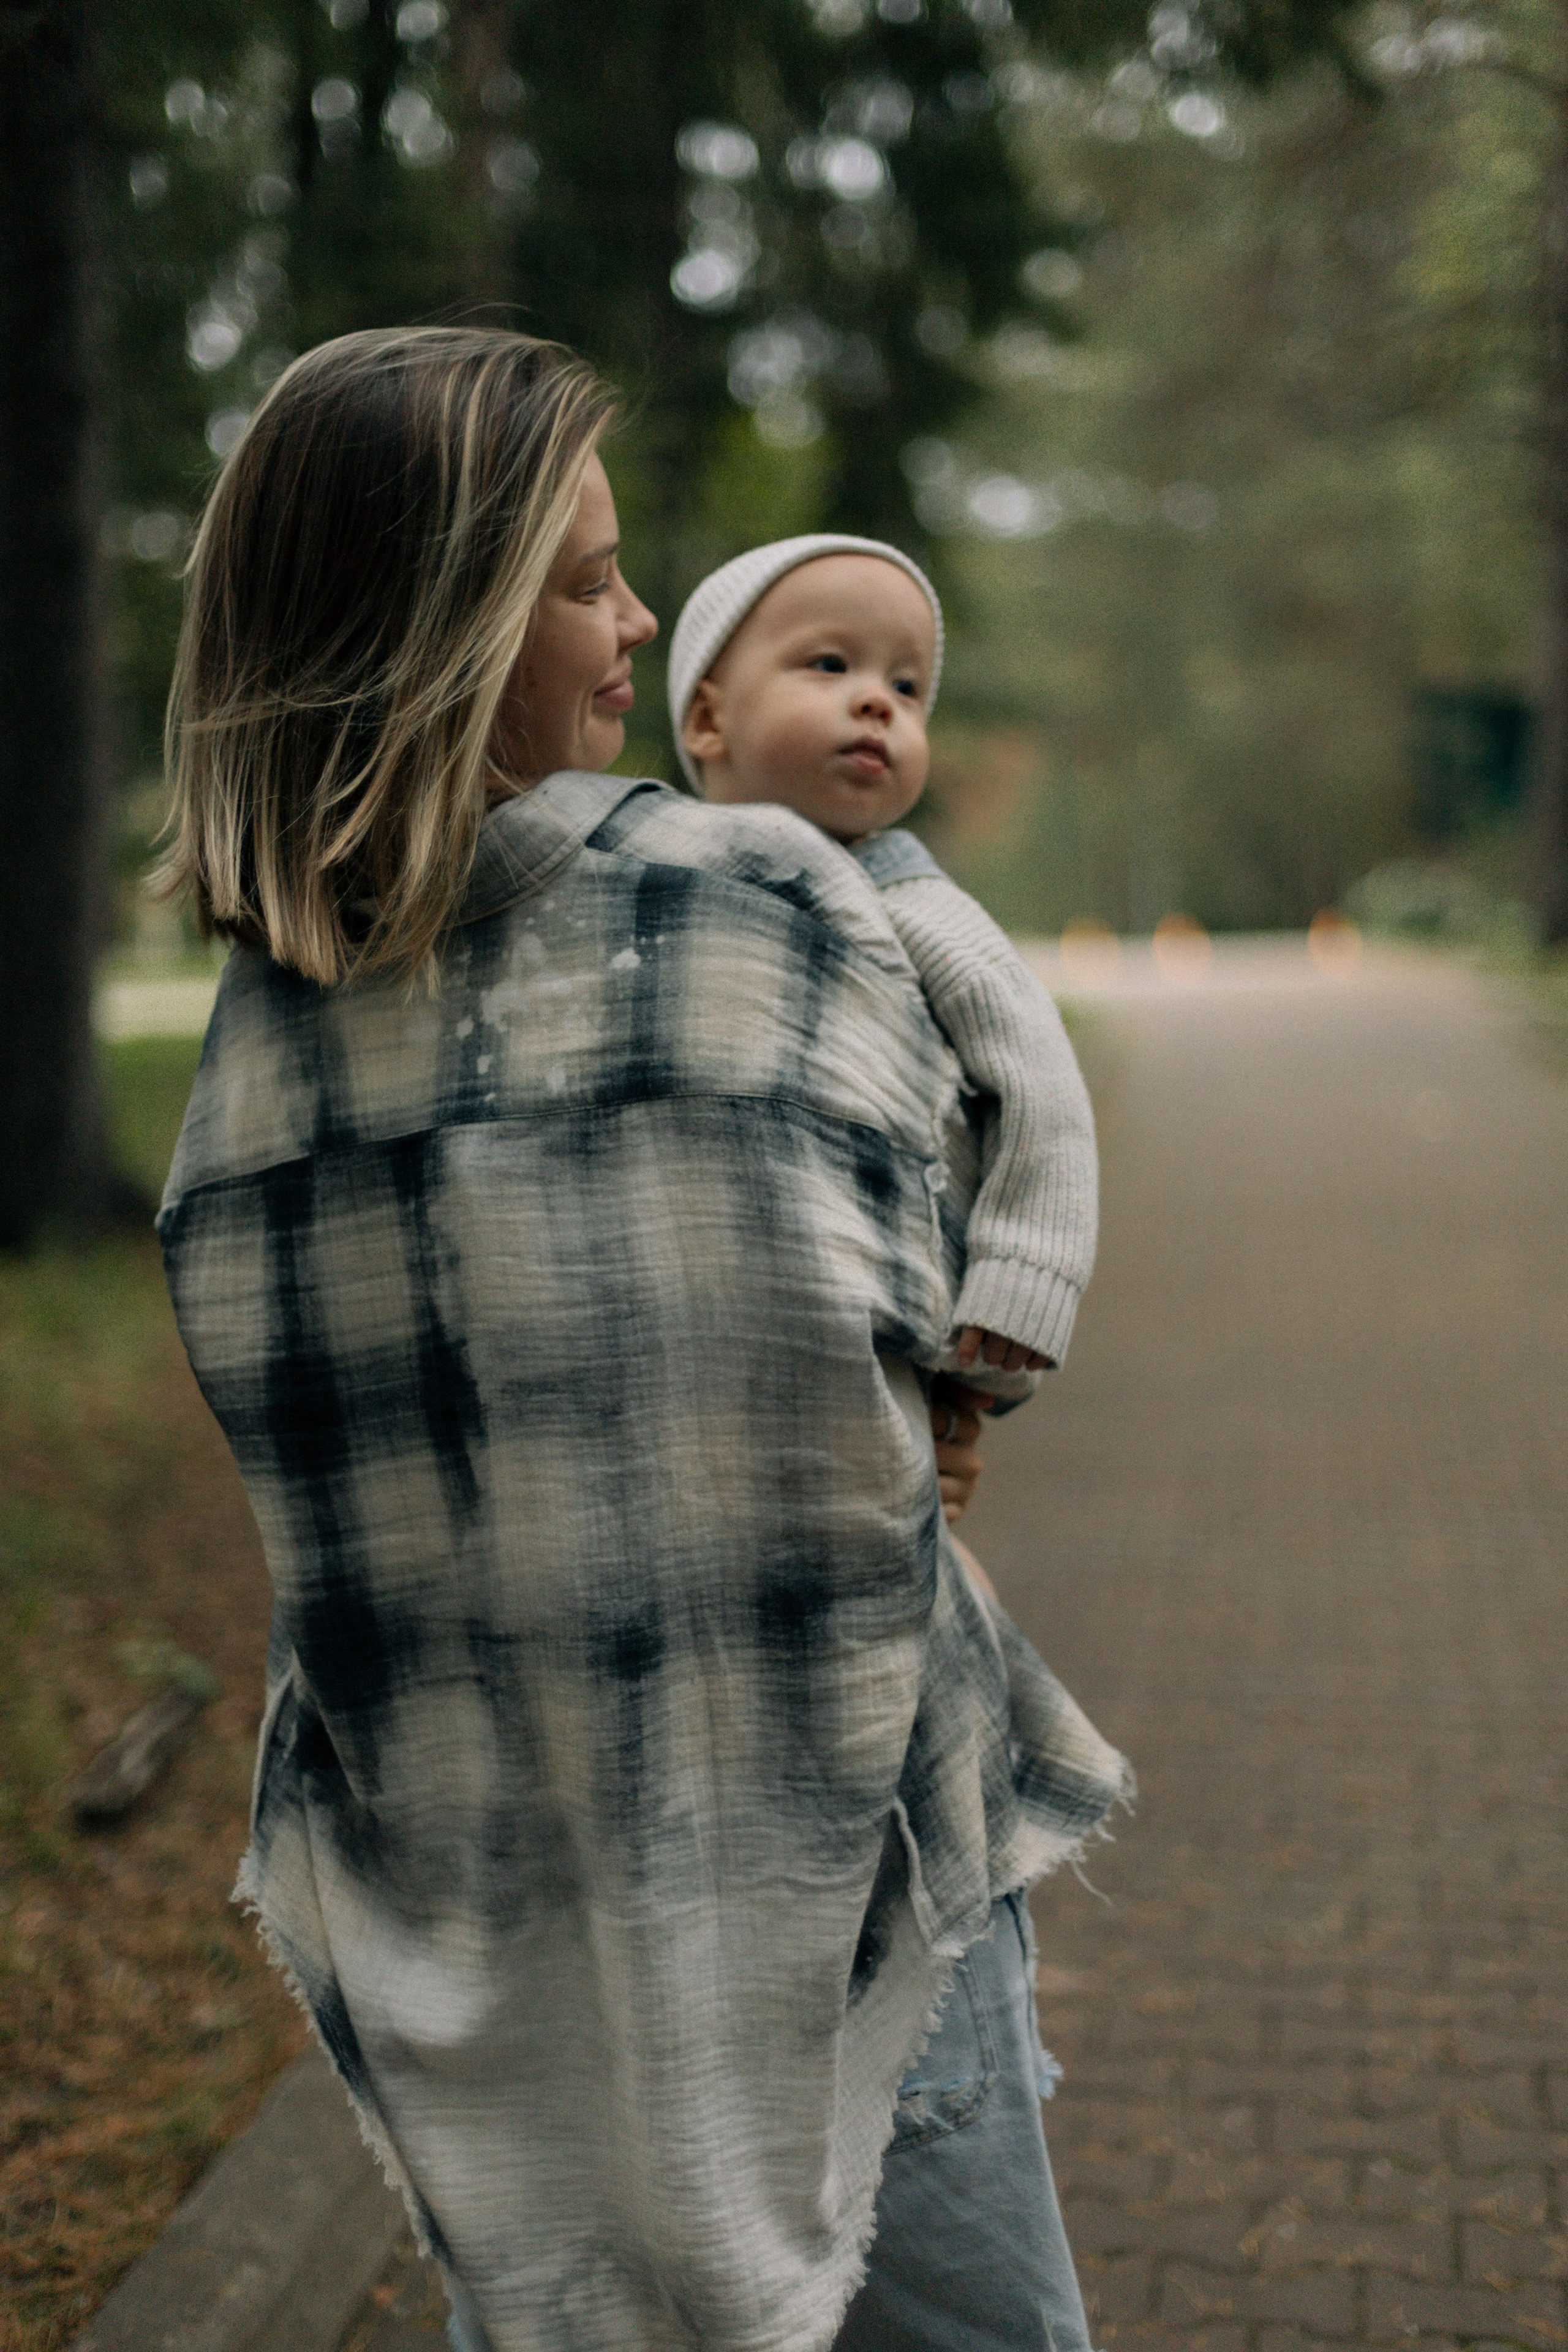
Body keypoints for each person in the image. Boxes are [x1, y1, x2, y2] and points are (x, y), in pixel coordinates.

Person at [153, 326, 1130, 2352]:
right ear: (442, 627)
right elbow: (889, 1341)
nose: (635, 616)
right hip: (825, 1861)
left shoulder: (253, 1055)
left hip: (497, 1910)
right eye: (585, 581)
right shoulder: (752, 901)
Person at [669, 537, 1097, 1414]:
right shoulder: (663, 894)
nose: (878, 701)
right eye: (830, 664)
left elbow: (1042, 1083)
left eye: (906, 688)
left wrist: (1026, 1271)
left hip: (912, 1309)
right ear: (709, 719)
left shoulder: (914, 906)